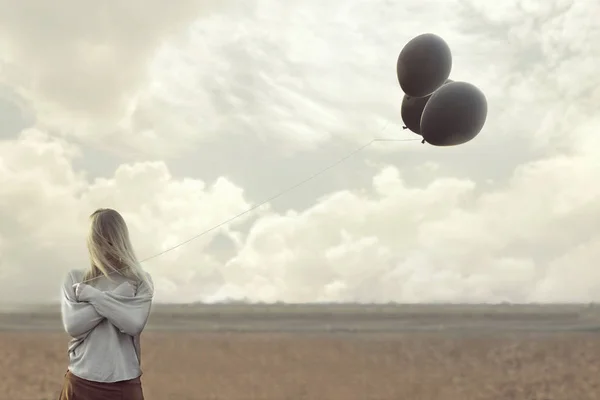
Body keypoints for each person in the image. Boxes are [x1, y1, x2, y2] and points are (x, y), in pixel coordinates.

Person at [59, 208, 154, 400]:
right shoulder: (75, 278)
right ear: (92, 240)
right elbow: (74, 326)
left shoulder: (139, 281)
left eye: (111, 237)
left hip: (123, 384)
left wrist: (93, 296)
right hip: (80, 381)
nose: (106, 245)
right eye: (101, 238)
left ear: (121, 238)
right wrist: (116, 296)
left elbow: (133, 324)